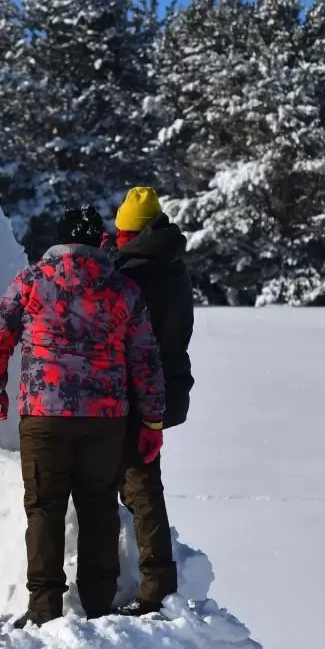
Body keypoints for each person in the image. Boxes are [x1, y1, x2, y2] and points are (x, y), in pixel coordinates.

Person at [0, 205, 167, 629]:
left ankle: (45, 606)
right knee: (98, 506)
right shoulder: (122, 288)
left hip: (44, 414)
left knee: (44, 507)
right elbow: (145, 357)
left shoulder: (31, 281)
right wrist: (152, 421)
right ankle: (99, 603)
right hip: (106, 417)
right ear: (99, 240)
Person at [103, 187, 196, 617]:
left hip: (132, 393)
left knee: (136, 487)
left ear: (128, 234)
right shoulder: (173, 266)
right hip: (165, 390)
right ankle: (155, 581)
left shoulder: (132, 277)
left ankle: (151, 587)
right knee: (144, 485)